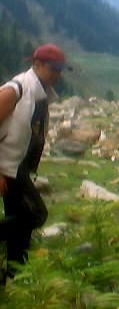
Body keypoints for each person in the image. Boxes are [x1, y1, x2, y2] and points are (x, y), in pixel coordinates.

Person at [0, 44, 70, 283]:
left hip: (17, 166)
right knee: (35, 214)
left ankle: (15, 273)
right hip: (6, 167)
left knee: (20, 217)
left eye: (61, 69)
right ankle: (15, 270)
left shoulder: (40, 93)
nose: (58, 74)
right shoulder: (15, 90)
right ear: (37, 64)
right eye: (54, 69)